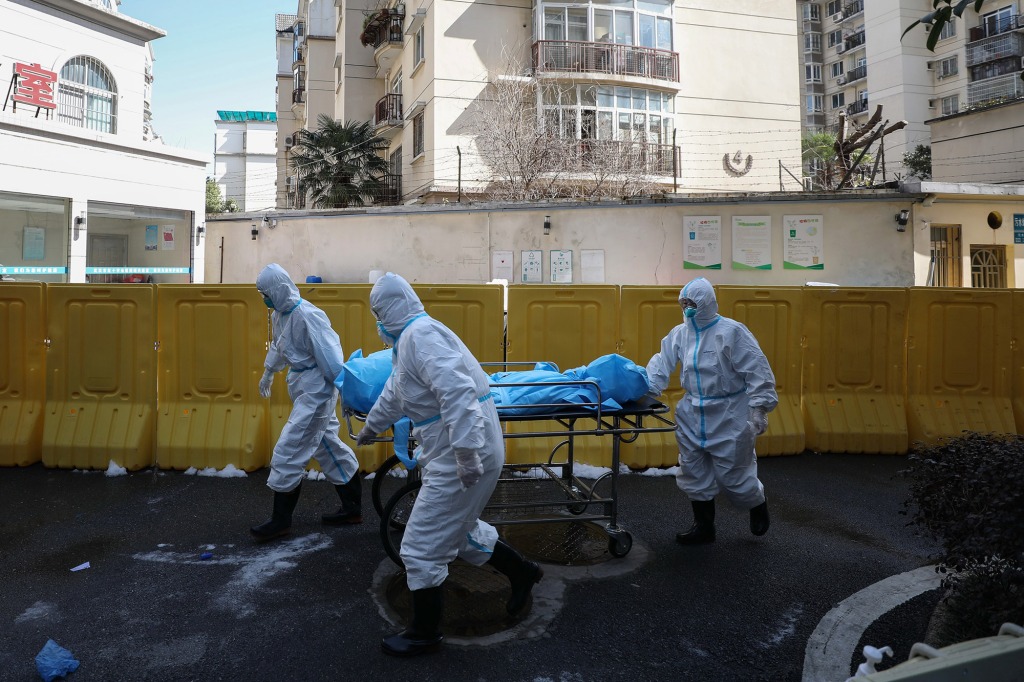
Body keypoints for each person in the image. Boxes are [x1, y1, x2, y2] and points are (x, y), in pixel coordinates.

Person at [355, 272, 543, 657]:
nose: (375, 321)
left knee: (421, 545)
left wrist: (467, 453)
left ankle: (424, 632)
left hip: (461, 452)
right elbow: (396, 390)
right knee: (460, 532)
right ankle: (522, 572)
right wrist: (372, 427)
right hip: (454, 449)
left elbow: (458, 393)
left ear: (389, 310)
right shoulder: (410, 339)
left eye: (377, 312)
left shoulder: (420, 336)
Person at [645, 277, 777, 545]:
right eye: (683, 303)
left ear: (706, 303)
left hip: (729, 413)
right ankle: (704, 527)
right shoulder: (680, 334)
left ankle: (756, 503)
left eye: (692, 303)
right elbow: (661, 361)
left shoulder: (731, 332)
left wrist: (759, 408)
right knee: (692, 470)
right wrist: (647, 390)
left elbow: (756, 369)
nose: (687, 308)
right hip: (692, 412)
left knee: (734, 474)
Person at [251, 263, 363, 542]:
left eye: (265, 291)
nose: (263, 297)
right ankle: (352, 508)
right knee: (328, 447)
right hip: (303, 386)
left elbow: (331, 358)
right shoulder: (281, 314)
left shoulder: (308, 316)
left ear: (277, 289)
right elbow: (279, 346)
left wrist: (344, 391)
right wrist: (268, 372)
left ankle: (281, 521)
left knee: (290, 448)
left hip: (317, 392)